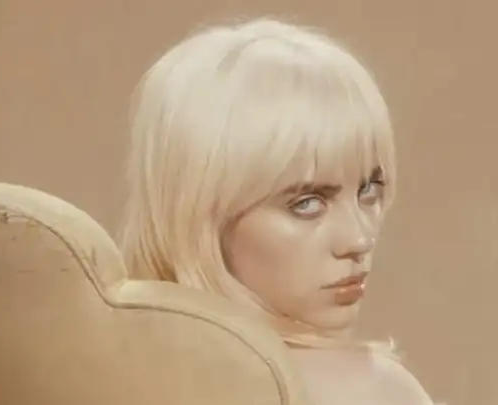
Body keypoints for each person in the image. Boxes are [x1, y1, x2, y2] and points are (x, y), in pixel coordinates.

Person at [119, 17, 434, 405]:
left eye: (368, 190)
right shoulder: (369, 390)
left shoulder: (98, 373)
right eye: (307, 204)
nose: (358, 239)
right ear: (200, 214)